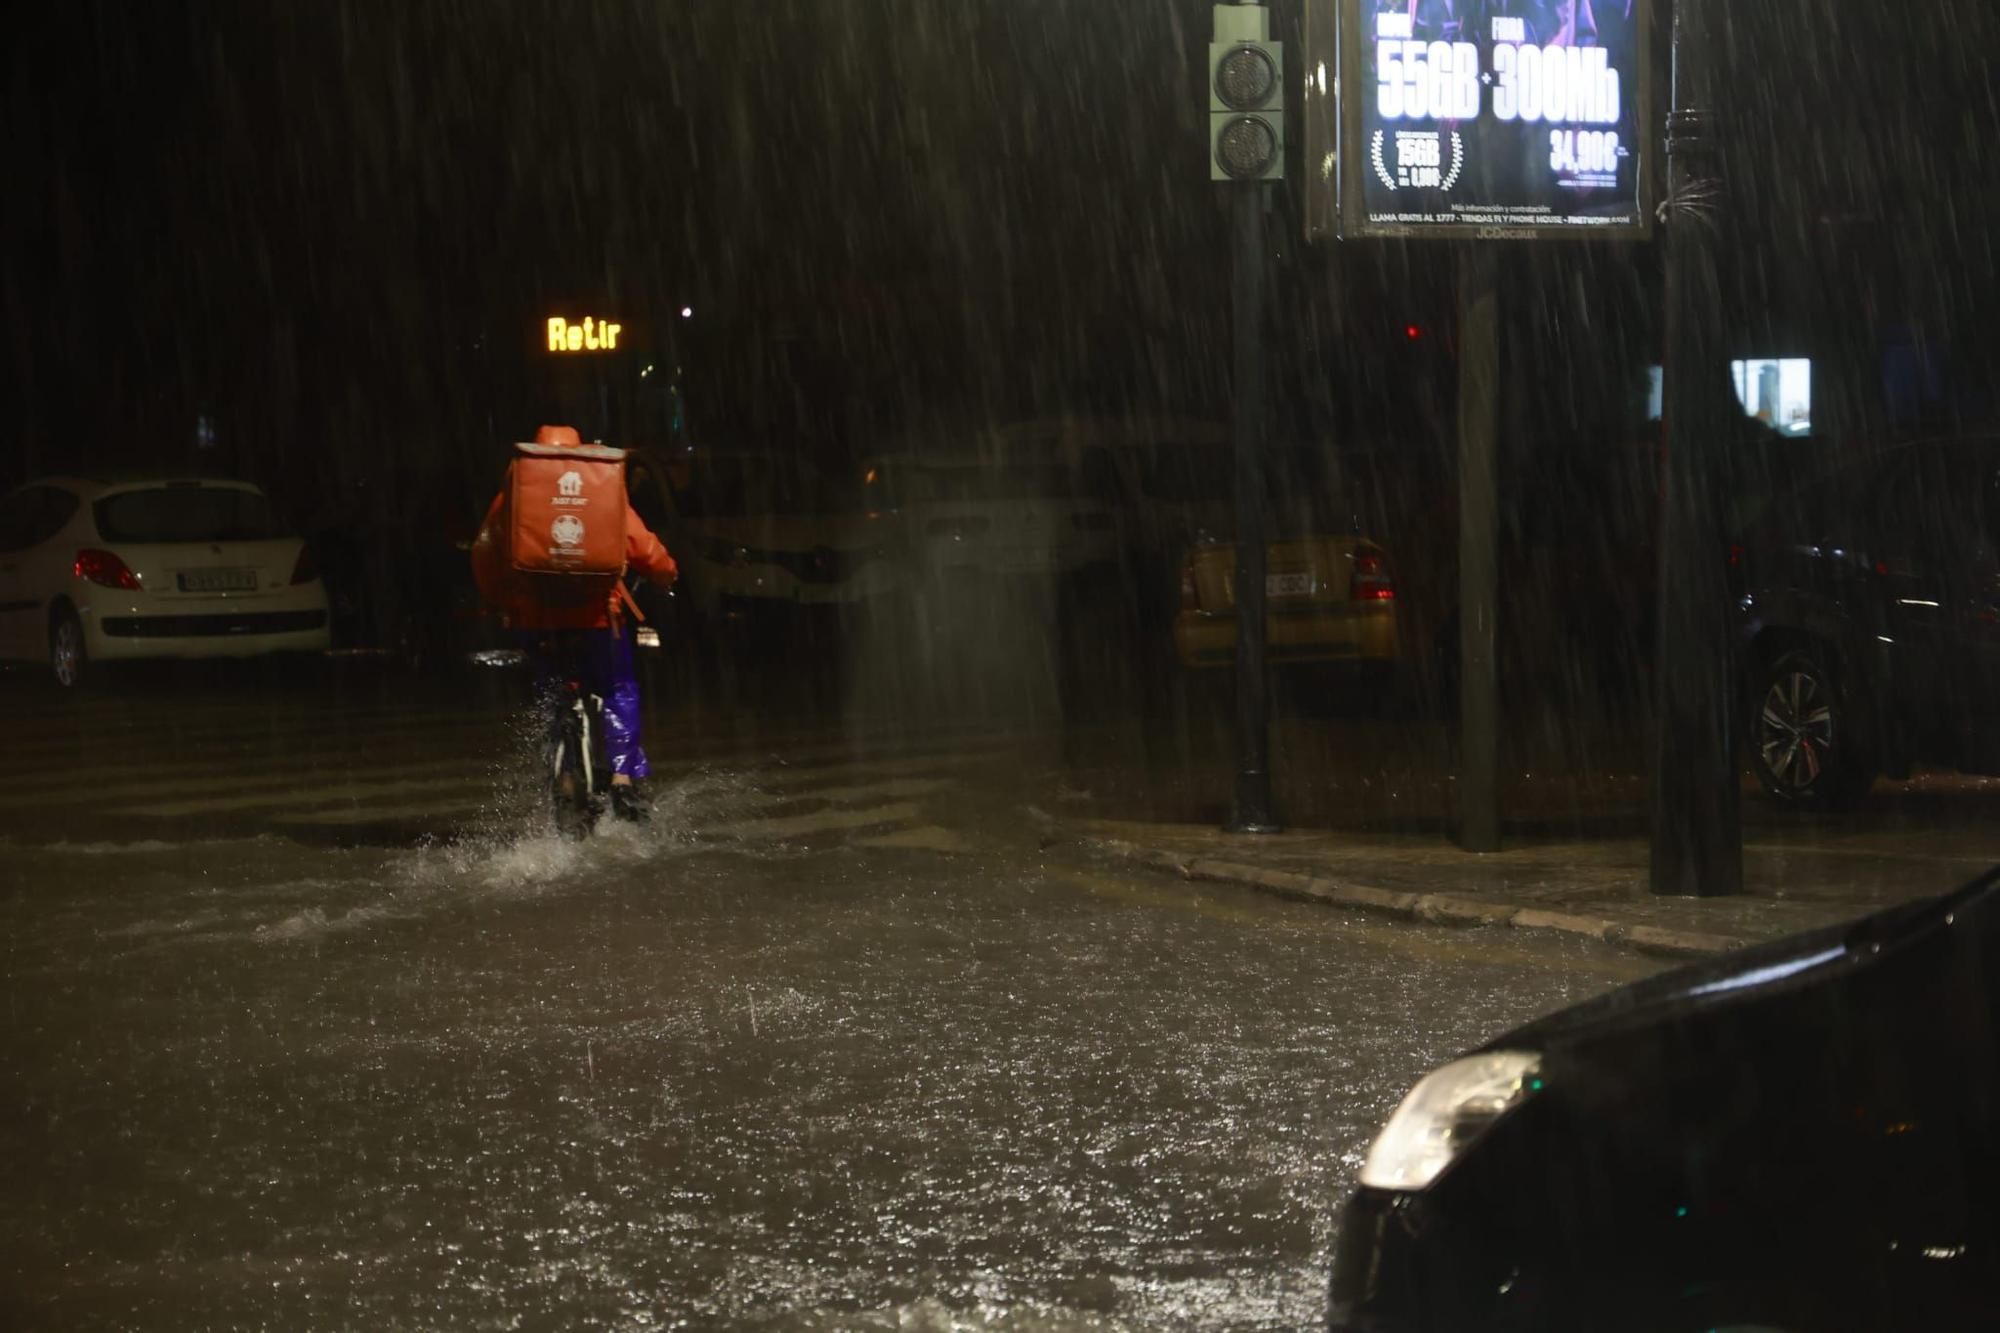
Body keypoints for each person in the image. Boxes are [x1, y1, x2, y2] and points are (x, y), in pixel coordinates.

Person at [470, 424, 679, 823]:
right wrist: (668, 573)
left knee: (550, 694)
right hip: (597, 618)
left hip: (538, 620)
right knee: (619, 686)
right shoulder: (599, 490)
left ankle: (562, 774)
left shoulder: (513, 496)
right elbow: (645, 549)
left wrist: (502, 600)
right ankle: (621, 777)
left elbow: (484, 553)